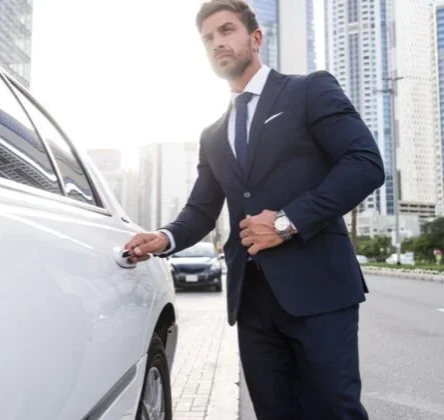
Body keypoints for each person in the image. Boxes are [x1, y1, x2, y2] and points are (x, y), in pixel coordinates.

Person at [124, 0, 385, 418]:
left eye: (226, 31)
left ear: (256, 37)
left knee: (334, 410)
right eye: (208, 38)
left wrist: (286, 222)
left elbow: (365, 163)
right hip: (252, 300)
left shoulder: (308, 89)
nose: (216, 44)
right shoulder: (213, 133)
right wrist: (165, 237)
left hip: (318, 288)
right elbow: (201, 208)